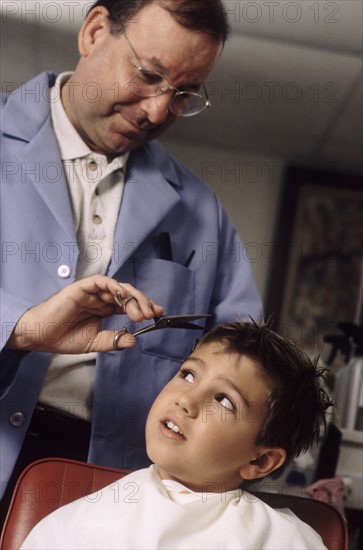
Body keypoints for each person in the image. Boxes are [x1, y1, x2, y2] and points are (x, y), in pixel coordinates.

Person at [0, 0, 263, 518]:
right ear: (95, 31)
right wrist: (22, 329)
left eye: (184, 93)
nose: (159, 111)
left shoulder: (200, 212)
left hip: (113, 495)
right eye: (148, 76)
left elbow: (245, 357)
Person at [19, 320, 333, 550]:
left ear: (261, 460)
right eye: (187, 374)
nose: (186, 399)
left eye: (224, 400)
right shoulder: (79, 523)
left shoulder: (283, 541)